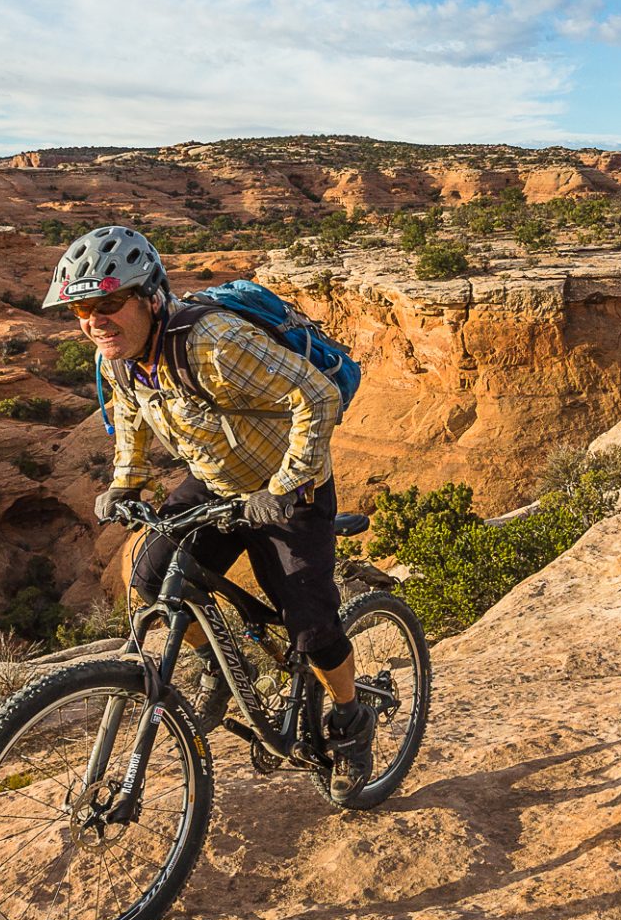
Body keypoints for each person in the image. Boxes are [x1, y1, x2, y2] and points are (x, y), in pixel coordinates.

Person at [42, 225, 375, 800]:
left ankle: (351, 717)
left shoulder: (214, 342)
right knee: (150, 579)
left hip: (287, 486)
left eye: (108, 303)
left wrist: (289, 484)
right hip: (218, 481)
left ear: (149, 297)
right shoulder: (119, 359)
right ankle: (221, 673)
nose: (95, 321)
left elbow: (316, 395)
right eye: (81, 310)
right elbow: (129, 419)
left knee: (311, 625)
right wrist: (127, 482)